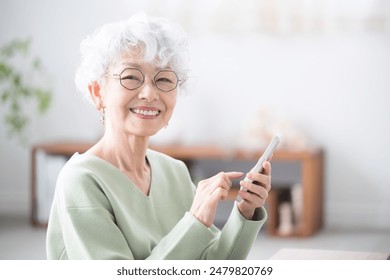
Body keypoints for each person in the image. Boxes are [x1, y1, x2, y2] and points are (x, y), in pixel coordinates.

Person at [46, 12, 272, 260]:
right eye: (131, 77)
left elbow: (212, 265)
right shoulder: (81, 180)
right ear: (98, 91)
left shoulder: (173, 171)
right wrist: (195, 221)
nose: (149, 93)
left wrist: (246, 211)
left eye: (163, 79)